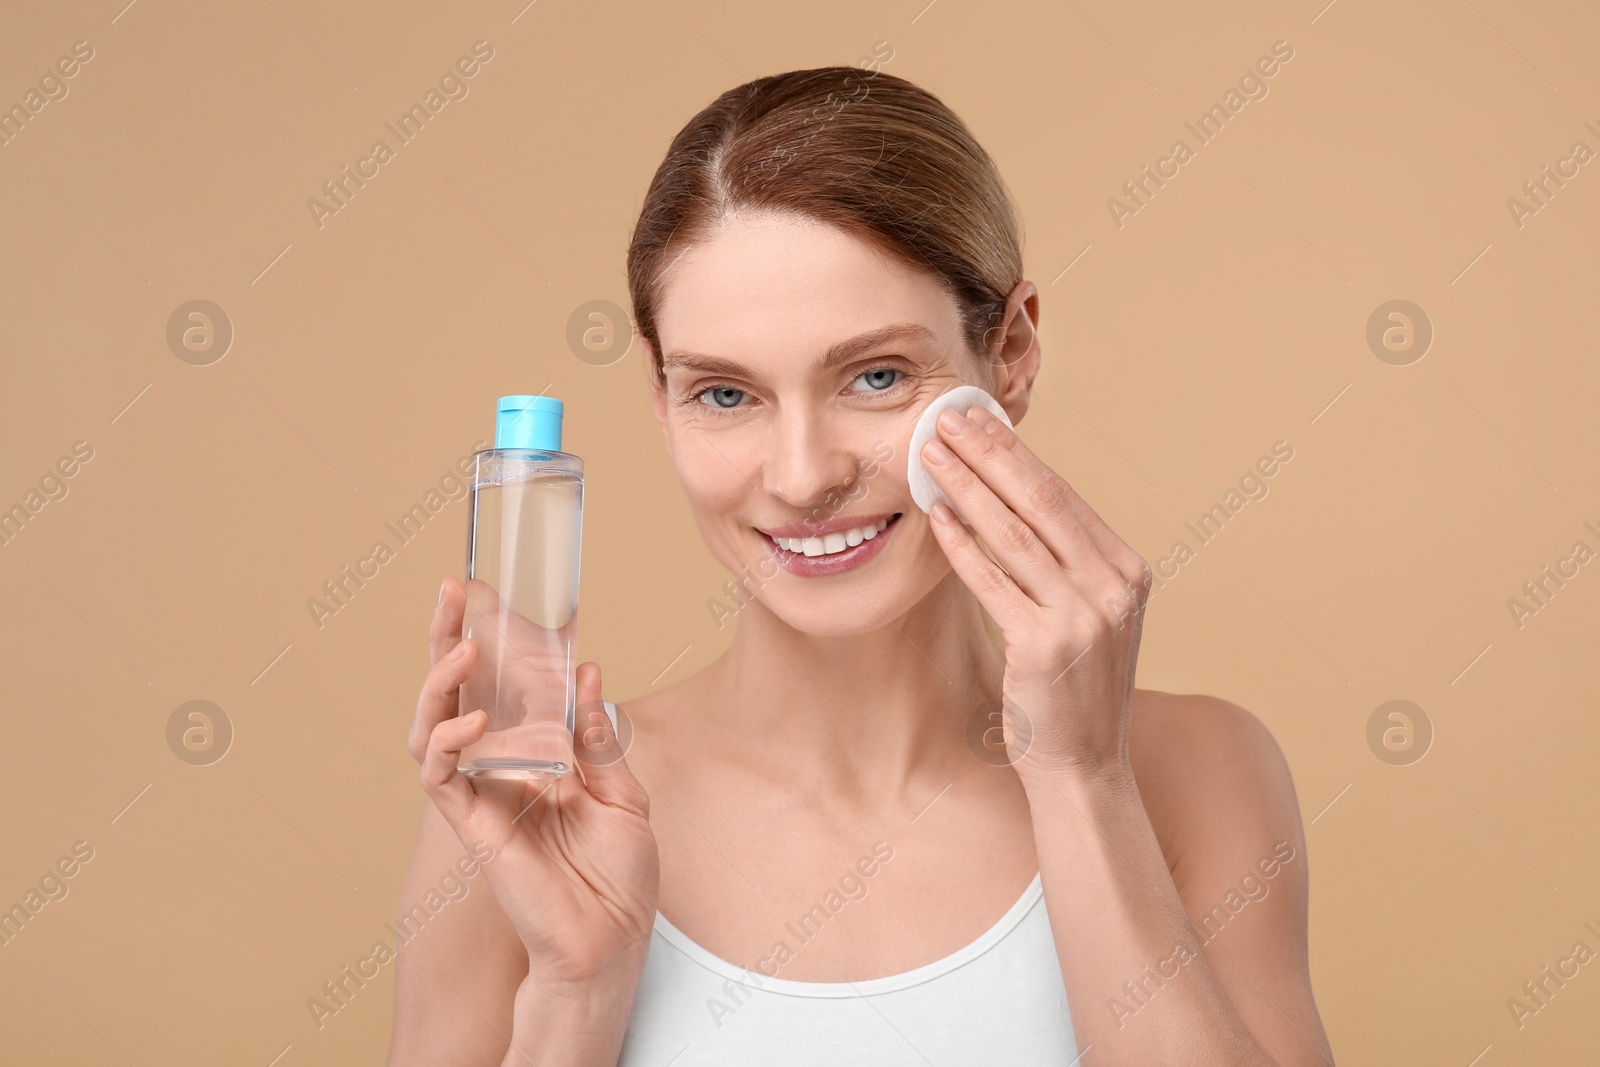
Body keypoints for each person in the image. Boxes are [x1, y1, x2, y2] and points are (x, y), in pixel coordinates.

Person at [388, 66, 1332, 1066]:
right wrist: (577, 994)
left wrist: (1080, 779)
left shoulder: (1197, 771)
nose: (802, 477)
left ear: (1008, 353)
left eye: (875, 376)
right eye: (724, 394)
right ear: (661, 396)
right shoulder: (531, 808)